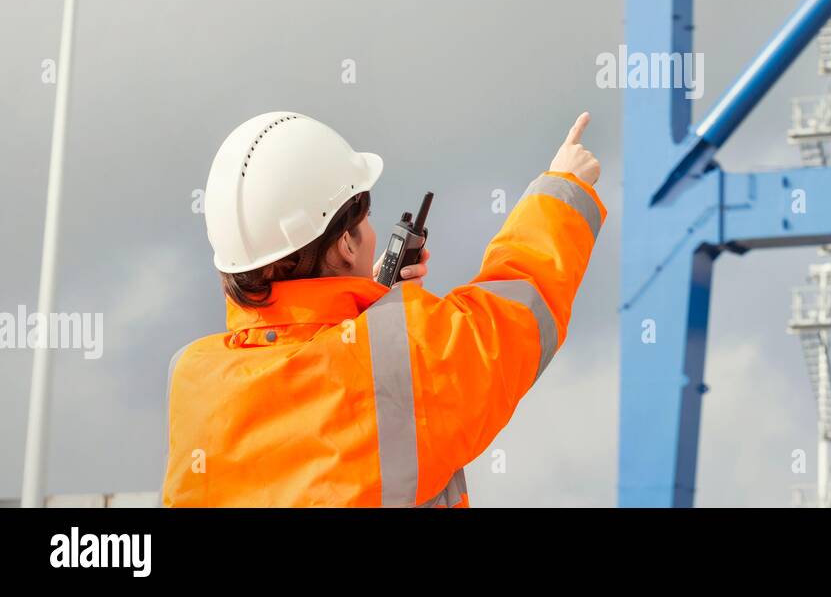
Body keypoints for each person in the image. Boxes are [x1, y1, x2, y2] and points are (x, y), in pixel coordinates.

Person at [162, 110, 603, 507]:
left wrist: (357, 310)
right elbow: (517, 310)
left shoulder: (192, 378)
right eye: (364, 219)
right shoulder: (398, 357)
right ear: (346, 242)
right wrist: (564, 187)